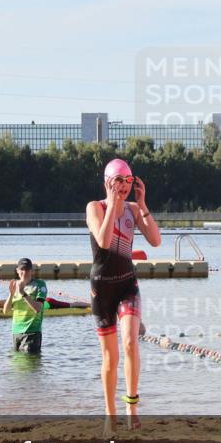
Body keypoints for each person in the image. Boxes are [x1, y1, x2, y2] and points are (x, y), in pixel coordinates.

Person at [86, 158, 161, 427]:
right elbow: (104, 242)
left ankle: (131, 407)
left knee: (130, 342)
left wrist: (142, 205)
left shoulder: (133, 209)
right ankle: (110, 414)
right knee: (111, 356)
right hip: (102, 290)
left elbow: (155, 240)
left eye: (128, 180)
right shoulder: (95, 207)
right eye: (118, 180)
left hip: (127, 285)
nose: (124, 186)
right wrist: (112, 203)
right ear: (108, 182)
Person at [3, 258, 48, 355]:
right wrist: (11, 294)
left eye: (27, 269)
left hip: (32, 332)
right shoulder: (14, 284)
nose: (24, 272)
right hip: (16, 332)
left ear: (31, 271)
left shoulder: (39, 284)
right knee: (18, 362)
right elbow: (5, 311)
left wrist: (23, 293)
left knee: (29, 362)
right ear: (17, 270)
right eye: (22, 269)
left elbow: (38, 308)